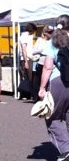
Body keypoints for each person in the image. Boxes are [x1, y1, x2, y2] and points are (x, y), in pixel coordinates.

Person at [38, 14, 69, 161]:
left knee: (52, 116)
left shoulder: (53, 41)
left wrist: (42, 88)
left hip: (59, 81)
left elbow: (48, 66)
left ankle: (65, 149)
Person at [32, 25, 54, 101]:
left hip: (50, 63)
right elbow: (33, 51)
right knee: (38, 80)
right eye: (49, 32)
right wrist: (42, 50)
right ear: (45, 33)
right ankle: (36, 97)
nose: (51, 34)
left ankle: (47, 97)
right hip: (41, 63)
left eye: (52, 32)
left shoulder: (53, 41)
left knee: (48, 80)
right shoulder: (39, 40)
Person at [20, 23, 37, 99]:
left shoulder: (27, 36)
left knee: (28, 76)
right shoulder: (24, 36)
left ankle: (28, 93)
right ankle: (27, 93)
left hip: (28, 58)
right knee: (28, 77)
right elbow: (24, 49)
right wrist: (26, 61)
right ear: (31, 29)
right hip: (26, 59)